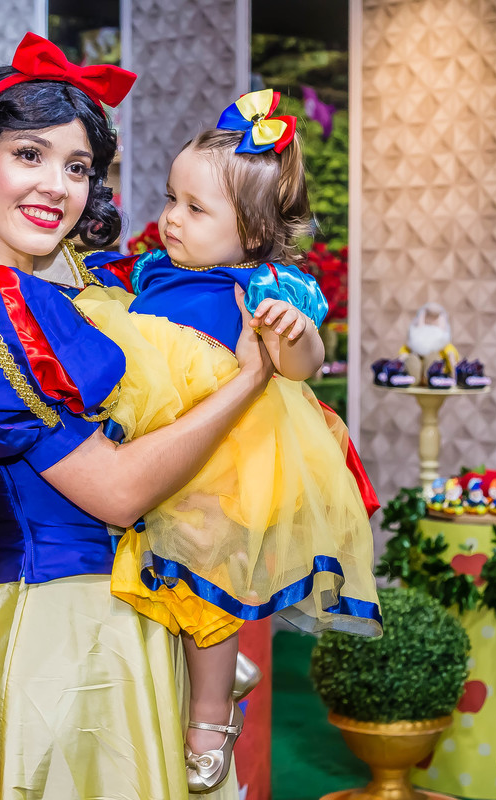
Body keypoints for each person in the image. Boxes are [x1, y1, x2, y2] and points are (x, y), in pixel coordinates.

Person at [0, 33, 273, 800]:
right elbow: (119, 493)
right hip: (63, 640)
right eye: (29, 155)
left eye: (77, 166)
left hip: (131, 617)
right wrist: (249, 382)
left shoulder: (73, 290)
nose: (57, 185)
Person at [72, 89, 381, 789]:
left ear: (251, 231)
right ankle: (213, 661)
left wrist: (294, 335)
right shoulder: (157, 271)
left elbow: (301, 366)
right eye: (171, 199)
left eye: (195, 208)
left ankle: (211, 713)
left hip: (230, 451)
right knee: (164, 561)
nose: (171, 218)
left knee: (209, 566)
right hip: (164, 434)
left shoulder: (267, 285)